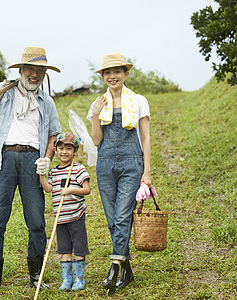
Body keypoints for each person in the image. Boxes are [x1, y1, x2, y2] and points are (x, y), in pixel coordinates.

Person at [0, 46, 62, 295]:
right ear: (21, 70)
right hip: (4, 159)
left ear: (44, 73)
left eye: (40, 70)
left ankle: (35, 275)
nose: (35, 74)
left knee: (36, 222)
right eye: (30, 69)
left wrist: (47, 159)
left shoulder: (46, 101)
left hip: (33, 160)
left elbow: (54, 133)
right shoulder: (4, 92)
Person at [87, 52, 152, 290]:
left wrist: (147, 173)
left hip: (131, 163)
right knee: (112, 218)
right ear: (103, 76)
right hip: (105, 164)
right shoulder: (98, 103)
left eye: (117, 71)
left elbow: (145, 138)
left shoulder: (138, 101)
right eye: (107, 72)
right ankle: (126, 268)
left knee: (123, 215)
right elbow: (96, 140)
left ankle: (114, 267)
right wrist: (95, 115)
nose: (112, 76)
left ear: (126, 74)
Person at [39, 132, 91, 291]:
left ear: (75, 151)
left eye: (69, 148)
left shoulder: (78, 169)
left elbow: (86, 189)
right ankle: (67, 280)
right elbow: (48, 189)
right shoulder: (54, 171)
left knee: (79, 248)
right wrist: (41, 174)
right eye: (61, 148)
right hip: (60, 219)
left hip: (76, 215)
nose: (64, 151)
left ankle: (79, 280)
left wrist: (70, 190)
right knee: (64, 249)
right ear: (55, 149)